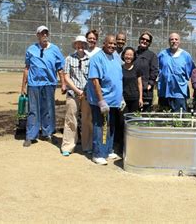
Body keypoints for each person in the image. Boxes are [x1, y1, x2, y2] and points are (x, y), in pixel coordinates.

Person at [20, 25, 66, 147]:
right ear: (38, 35)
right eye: (42, 33)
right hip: (34, 84)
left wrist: (63, 84)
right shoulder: (31, 49)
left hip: (49, 84)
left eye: (46, 33)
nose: (44, 35)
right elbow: (27, 68)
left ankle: (48, 133)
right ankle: (30, 136)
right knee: (33, 110)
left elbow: (60, 68)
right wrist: (23, 86)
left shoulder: (55, 49)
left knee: (48, 109)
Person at [86, 35, 123, 165]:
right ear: (104, 43)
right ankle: (98, 153)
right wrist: (101, 101)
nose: (112, 46)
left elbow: (118, 79)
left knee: (110, 126)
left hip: (114, 101)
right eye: (110, 43)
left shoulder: (116, 57)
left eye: (114, 44)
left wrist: (121, 97)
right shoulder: (97, 58)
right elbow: (95, 81)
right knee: (101, 126)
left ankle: (107, 150)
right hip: (102, 101)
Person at [60, 35, 92, 157]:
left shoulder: (90, 60)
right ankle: (68, 146)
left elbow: (91, 77)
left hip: (86, 94)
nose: (80, 46)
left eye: (83, 44)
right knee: (70, 119)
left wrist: (85, 91)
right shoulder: (68, 59)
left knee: (87, 119)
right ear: (75, 45)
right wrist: (77, 90)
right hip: (73, 94)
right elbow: (66, 77)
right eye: (78, 44)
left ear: (85, 46)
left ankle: (87, 145)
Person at [157, 32, 195, 112]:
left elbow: (192, 73)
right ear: (168, 41)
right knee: (164, 118)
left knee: (179, 119)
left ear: (179, 41)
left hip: (180, 93)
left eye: (176, 39)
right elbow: (157, 70)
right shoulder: (162, 54)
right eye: (172, 39)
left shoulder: (186, 56)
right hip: (164, 92)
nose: (174, 41)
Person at [134, 31, 159, 112]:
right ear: (139, 40)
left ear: (149, 43)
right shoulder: (134, 54)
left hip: (146, 91)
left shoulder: (152, 56)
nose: (144, 41)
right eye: (143, 39)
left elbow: (154, 71)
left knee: (145, 115)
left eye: (147, 40)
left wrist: (150, 84)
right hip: (133, 90)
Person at [122, 47, 143, 112]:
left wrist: (140, 98)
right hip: (123, 99)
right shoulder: (120, 68)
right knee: (123, 119)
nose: (128, 57)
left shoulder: (137, 69)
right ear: (123, 55)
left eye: (131, 55)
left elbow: (140, 84)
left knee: (134, 119)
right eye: (127, 54)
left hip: (135, 98)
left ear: (134, 57)